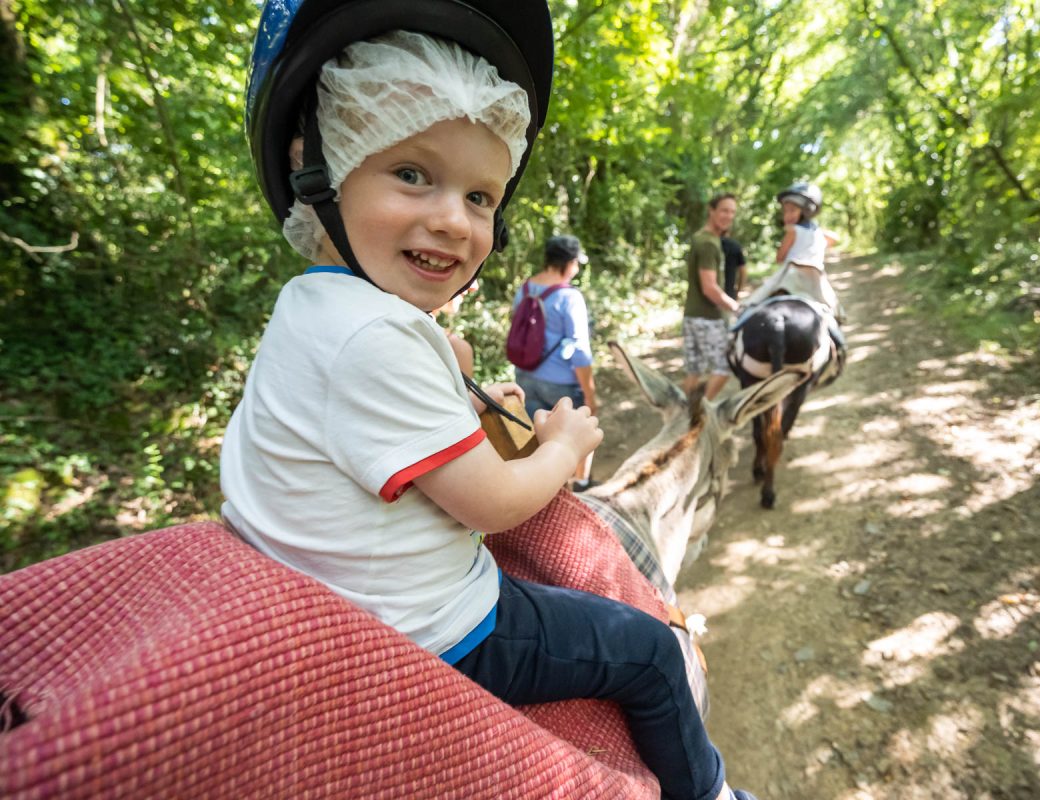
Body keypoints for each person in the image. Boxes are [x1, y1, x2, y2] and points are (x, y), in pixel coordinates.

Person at [225, 3, 754, 799]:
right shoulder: (376, 334)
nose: (453, 219)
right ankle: (711, 791)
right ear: (316, 168)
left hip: (344, 593)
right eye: (412, 174)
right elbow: (496, 503)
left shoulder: (312, 305)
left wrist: (452, 379)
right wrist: (564, 446)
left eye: (480, 197)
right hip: (438, 629)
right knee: (647, 648)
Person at [513, 234, 597, 491]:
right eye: (576, 263)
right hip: (561, 384)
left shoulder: (525, 289)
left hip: (525, 377)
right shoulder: (569, 297)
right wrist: (590, 393)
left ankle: (548, 491)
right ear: (568, 263)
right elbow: (580, 350)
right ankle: (579, 486)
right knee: (580, 433)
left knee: (541, 436)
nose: (578, 268)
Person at [744, 182, 844, 320]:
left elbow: (779, 258)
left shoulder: (792, 231)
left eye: (792, 210)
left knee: (753, 303)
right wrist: (815, 231)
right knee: (834, 311)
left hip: (790, 276)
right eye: (785, 211)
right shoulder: (819, 234)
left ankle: (737, 324)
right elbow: (834, 239)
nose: (787, 215)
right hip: (815, 281)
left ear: (805, 211)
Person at [682, 193, 741, 400]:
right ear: (712, 210)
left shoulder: (702, 237)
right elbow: (709, 288)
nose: (729, 216)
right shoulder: (708, 243)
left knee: (694, 370)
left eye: (732, 212)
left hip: (692, 316)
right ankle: (697, 416)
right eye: (724, 210)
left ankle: (684, 415)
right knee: (724, 369)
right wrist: (735, 307)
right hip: (708, 319)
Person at [720, 235, 747, 299]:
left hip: (709, 293)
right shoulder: (735, 245)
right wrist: (739, 290)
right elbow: (743, 271)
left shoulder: (709, 245)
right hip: (729, 292)